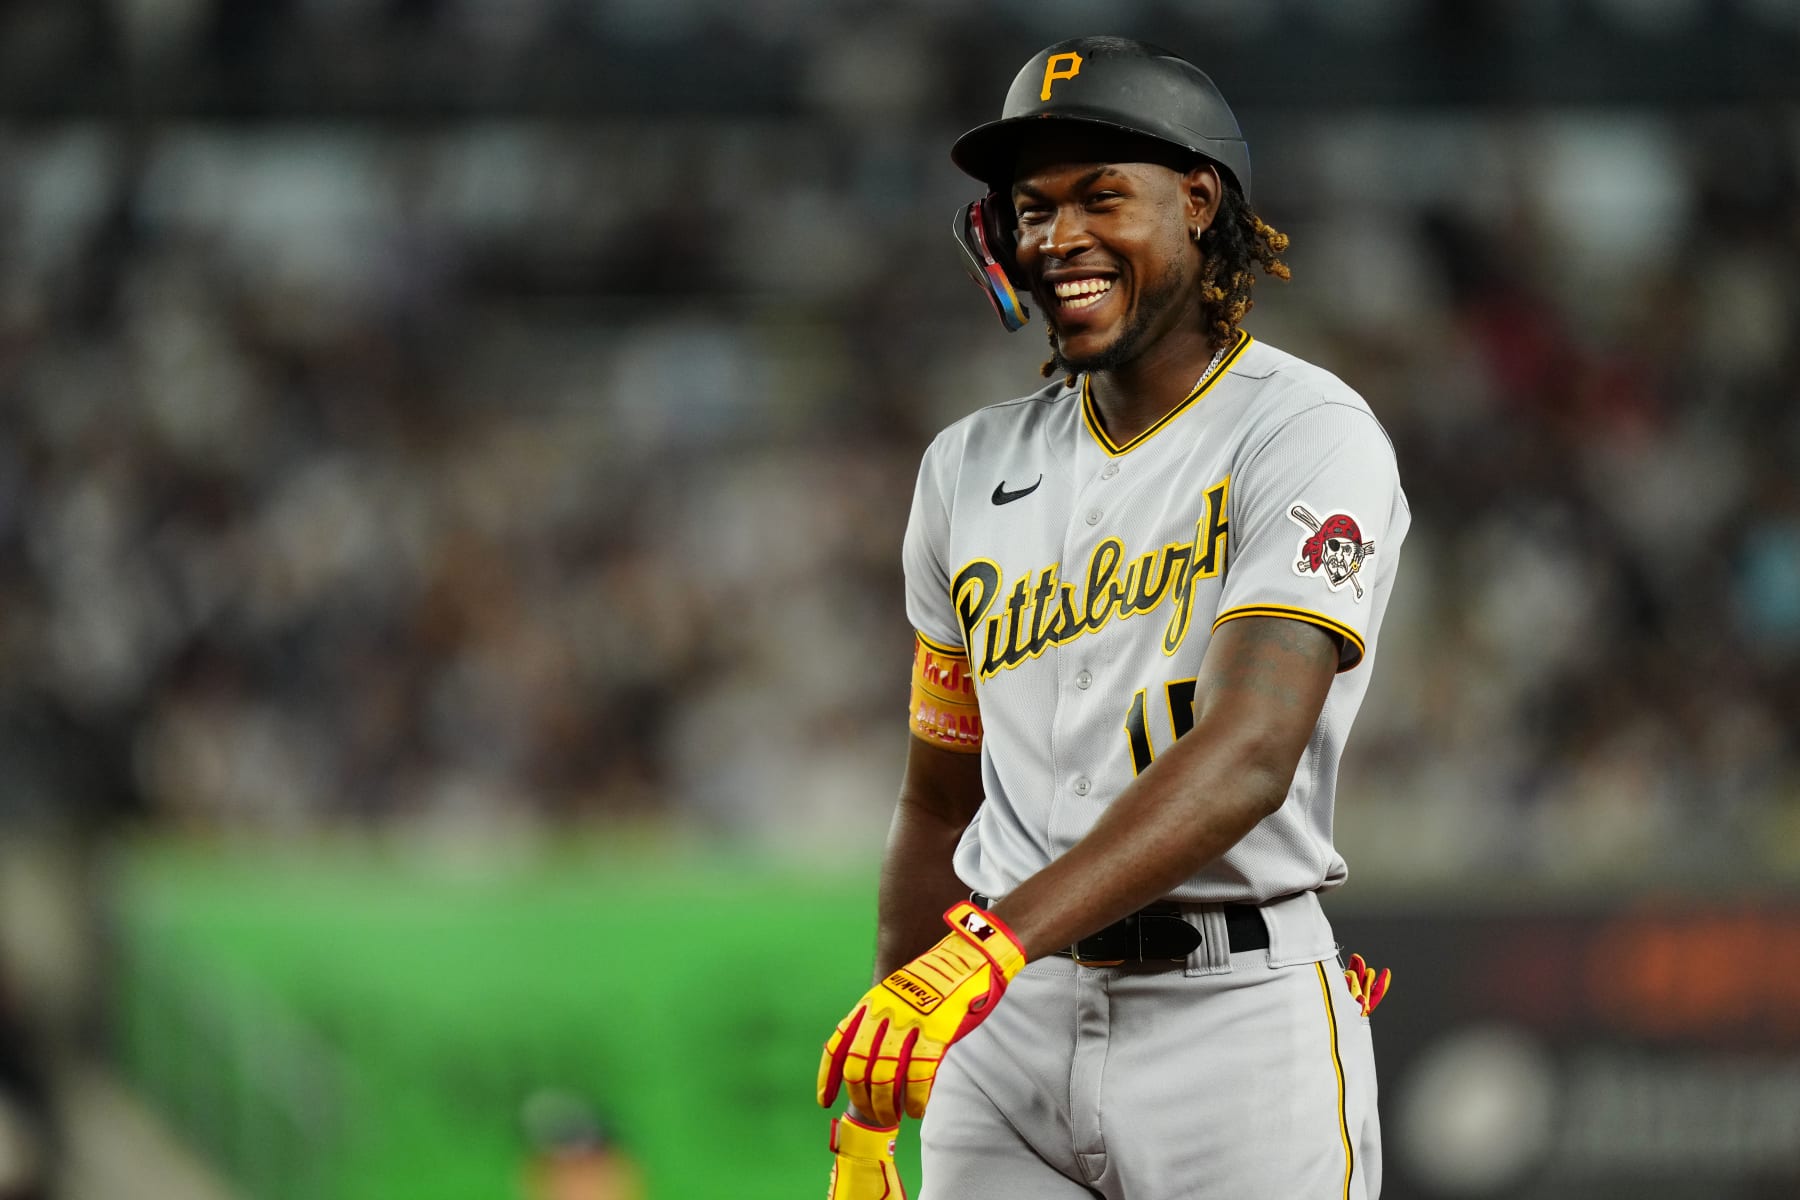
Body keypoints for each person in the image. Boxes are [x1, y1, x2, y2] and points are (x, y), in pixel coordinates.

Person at [817, 35, 1405, 1200]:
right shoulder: (965, 468)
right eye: (1030, 211)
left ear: (1198, 203)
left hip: (1234, 1028)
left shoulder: (1303, 430)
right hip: (1005, 1035)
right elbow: (940, 790)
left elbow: (1248, 756)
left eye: (1101, 197)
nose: (1057, 239)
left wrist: (983, 949)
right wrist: (888, 1080)